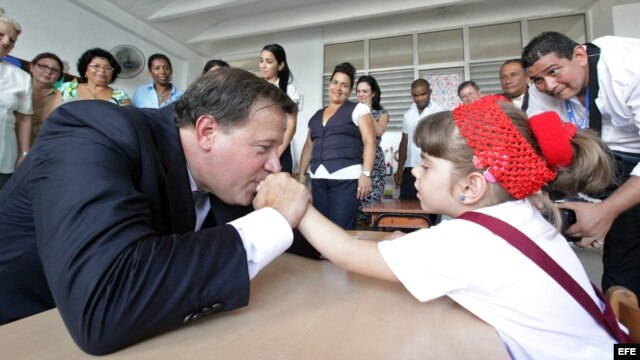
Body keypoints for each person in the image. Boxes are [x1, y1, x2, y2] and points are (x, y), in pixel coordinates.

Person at [261, 96, 623, 358]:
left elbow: (345, 252)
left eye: (428, 165)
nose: (415, 172)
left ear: (472, 186)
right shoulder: (518, 213)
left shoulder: (468, 241)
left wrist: (295, 204)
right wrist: (418, 249)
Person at [0, 68, 308, 355]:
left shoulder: (221, 175)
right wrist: (273, 221)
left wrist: (289, 213)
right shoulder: (93, 132)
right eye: (263, 147)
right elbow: (107, 301)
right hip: (24, 328)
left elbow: (281, 230)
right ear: (207, 131)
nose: (275, 166)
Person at [522, 31, 640, 297]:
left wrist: (608, 209)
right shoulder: (539, 90)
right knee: (623, 267)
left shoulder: (629, 68)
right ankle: (624, 332)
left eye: (555, 71)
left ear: (579, 55)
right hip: (604, 159)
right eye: (539, 79)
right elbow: (541, 149)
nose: (549, 85)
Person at [298, 62, 376, 230]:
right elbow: (308, 145)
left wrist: (366, 174)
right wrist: (301, 174)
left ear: (350, 89)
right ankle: (323, 258)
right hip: (318, 178)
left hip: (346, 178)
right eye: (335, 82)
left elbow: (370, 141)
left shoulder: (359, 109)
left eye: (344, 85)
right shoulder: (317, 115)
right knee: (321, 229)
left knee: (341, 229)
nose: (338, 88)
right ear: (329, 84)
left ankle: (341, 258)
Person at [394, 79, 444, 200]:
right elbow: (404, 142)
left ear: (430, 92)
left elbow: (444, 143)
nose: (419, 98)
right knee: (405, 206)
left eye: (423, 94)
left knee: (430, 206)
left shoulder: (439, 112)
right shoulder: (408, 114)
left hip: (431, 168)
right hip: (410, 168)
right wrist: (400, 169)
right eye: (415, 95)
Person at [0, 10, 31, 189]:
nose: (6, 42)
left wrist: (24, 152)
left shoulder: (20, 77)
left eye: (12, 40)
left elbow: (24, 117)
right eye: (1, 35)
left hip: (4, 157)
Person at [259, 44, 300, 173]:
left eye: (269, 61)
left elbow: (291, 127)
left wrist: (275, 154)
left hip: (280, 149)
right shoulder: (254, 89)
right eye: (261, 61)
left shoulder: (289, 90)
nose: (263, 65)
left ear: (280, 65)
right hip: (258, 148)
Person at [355, 75, 389, 223]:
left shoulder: (381, 113)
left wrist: (367, 111)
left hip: (374, 162)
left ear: (373, 93)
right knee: (355, 202)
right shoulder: (352, 110)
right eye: (358, 91)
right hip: (355, 158)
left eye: (365, 91)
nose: (361, 94)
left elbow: (378, 132)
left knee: (371, 203)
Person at [58, 48, 131, 106]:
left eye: (107, 68)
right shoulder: (67, 88)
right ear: (86, 70)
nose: (102, 70)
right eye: (96, 66)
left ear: (112, 73)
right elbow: (50, 114)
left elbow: (125, 122)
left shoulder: (121, 96)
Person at [29, 52, 63, 144]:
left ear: (59, 76)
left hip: (41, 150)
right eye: (44, 66)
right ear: (32, 67)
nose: (48, 72)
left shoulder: (63, 99)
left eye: (55, 70)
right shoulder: (17, 89)